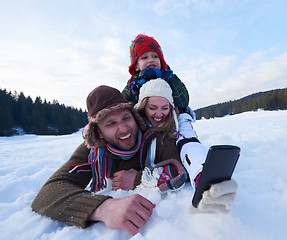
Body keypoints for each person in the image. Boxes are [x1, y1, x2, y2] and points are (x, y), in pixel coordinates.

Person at [31, 85, 186, 236]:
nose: (124, 129)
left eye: (126, 118)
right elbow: (48, 193)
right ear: (98, 132)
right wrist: (104, 208)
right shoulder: (92, 151)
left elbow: (179, 171)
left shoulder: (158, 139)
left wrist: (139, 179)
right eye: (111, 124)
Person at [134, 79, 238, 213]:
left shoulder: (176, 125)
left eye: (165, 108)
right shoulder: (134, 128)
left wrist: (202, 174)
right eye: (152, 108)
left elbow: (189, 145)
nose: (159, 114)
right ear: (143, 106)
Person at [122, 33, 189, 111]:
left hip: (167, 120)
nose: (151, 60)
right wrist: (133, 92)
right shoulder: (133, 82)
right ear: (136, 66)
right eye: (145, 57)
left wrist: (171, 80)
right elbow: (121, 104)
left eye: (155, 56)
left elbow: (183, 102)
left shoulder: (169, 77)